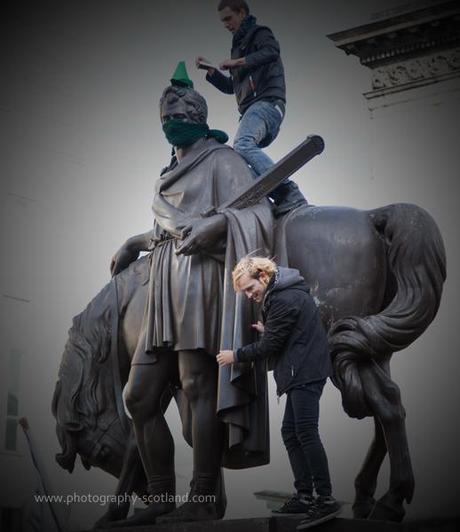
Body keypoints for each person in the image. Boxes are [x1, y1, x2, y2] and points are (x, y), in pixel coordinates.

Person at [109, 64, 273, 525]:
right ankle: (160, 495)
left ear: (200, 117)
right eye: (166, 114)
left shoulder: (222, 159)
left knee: (200, 387)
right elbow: (169, 229)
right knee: (139, 396)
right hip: (163, 283)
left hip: (201, 280)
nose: (171, 118)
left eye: (180, 110)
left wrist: (216, 224)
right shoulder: (169, 170)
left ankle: (202, 499)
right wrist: (133, 243)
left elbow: (256, 211)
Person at [217, 256, 341, 528]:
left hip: (305, 372)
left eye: (250, 288)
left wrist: (234, 355)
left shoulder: (283, 299)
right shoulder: (283, 293)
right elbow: (285, 332)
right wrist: (269, 329)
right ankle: (305, 495)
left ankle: (325, 498)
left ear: (263, 276)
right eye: (245, 292)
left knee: (306, 432)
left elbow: (268, 348)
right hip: (303, 369)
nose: (249, 295)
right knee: (291, 432)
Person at [195, 0, 306, 216]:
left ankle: (289, 191)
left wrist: (237, 62)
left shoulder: (259, 33)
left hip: (268, 104)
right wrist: (212, 72)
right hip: (253, 110)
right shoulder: (237, 47)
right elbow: (232, 87)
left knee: (243, 145)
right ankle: (274, 197)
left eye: (229, 18)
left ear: (242, 12)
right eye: (222, 21)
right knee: (238, 158)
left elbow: (271, 52)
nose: (226, 24)